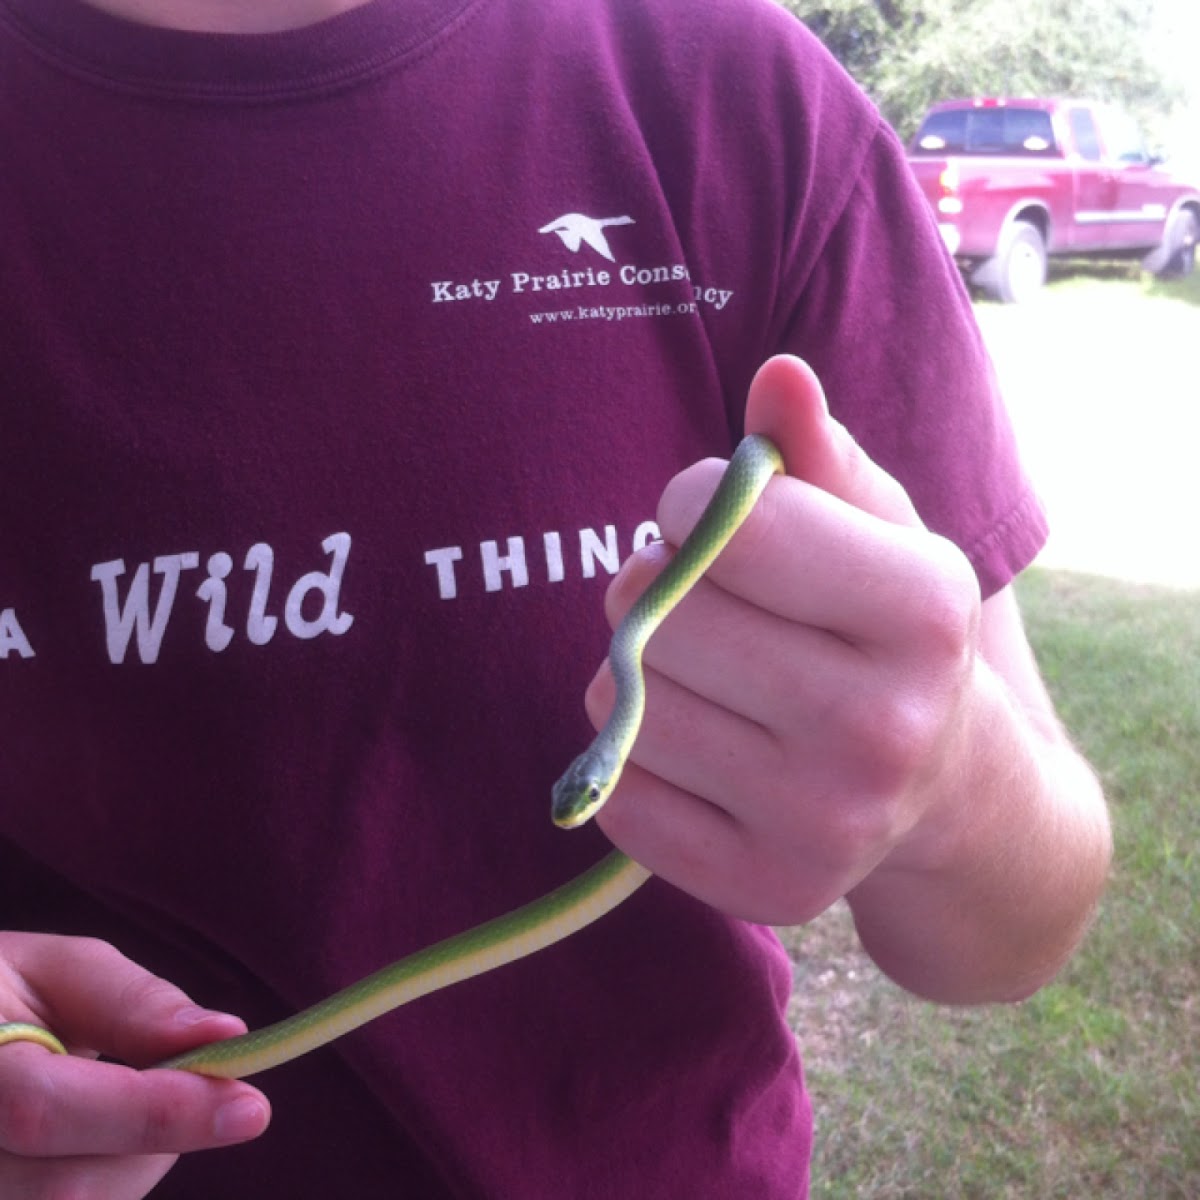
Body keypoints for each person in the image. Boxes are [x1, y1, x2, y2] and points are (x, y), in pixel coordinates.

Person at [0, 0, 1112, 1195]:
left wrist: (953, 789)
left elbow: (1022, 931)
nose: (587, 801)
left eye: (592, 784)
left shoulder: (728, 89)